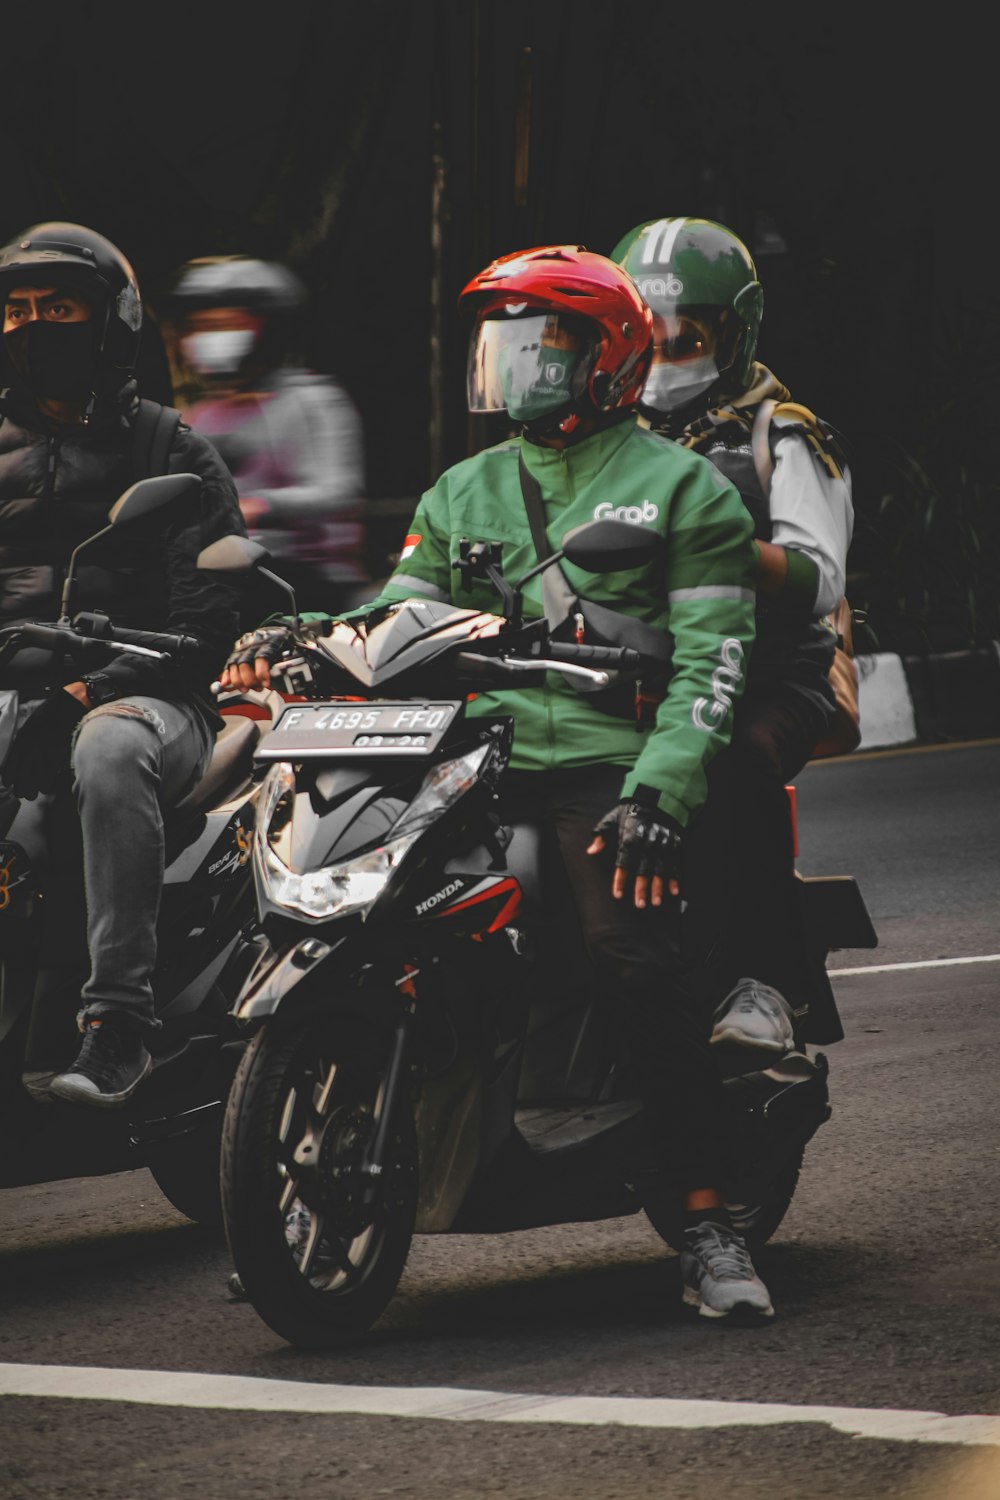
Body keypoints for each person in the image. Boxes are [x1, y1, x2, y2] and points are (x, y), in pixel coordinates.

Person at [223, 244, 776, 1321]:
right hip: (471, 757)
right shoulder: (463, 486)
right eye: (507, 347)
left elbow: (713, 662)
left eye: (542, 345)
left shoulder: (683, 489)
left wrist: (657, 794)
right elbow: (396, 617)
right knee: (355, 911)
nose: (516, 368)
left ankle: (706, 1219)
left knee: (631, 954)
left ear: (607, 358)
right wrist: (293, 640)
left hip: (601, 770)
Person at [0, 221, 247, 1107]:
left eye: (57, 308)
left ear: (111, 322)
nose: (32, 329)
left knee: (105, 751)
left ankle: (118, 1027)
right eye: (16, 312)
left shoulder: (170, 451)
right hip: (13, 695)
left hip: (152, 701)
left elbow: (211, 626)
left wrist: (86, 689)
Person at [611, 216, 855, 1049]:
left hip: (774, 674)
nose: (668, 353)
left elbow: (819, 577)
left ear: (736, 331)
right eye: (650, 335)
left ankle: (767, 987)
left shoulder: (779, 432)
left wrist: (712, 546)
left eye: (689, 336)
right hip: (643, 665)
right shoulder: (611, 439)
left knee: (737, 761)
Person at [164, 255, 370, 622]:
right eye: (203, 327)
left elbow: (337, 488)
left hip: (301, 579)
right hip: (217, 578)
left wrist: (260, 506)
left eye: (227, 324)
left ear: (269, 330)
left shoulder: (311, 401)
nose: (212, 337)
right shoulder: (202, 416)